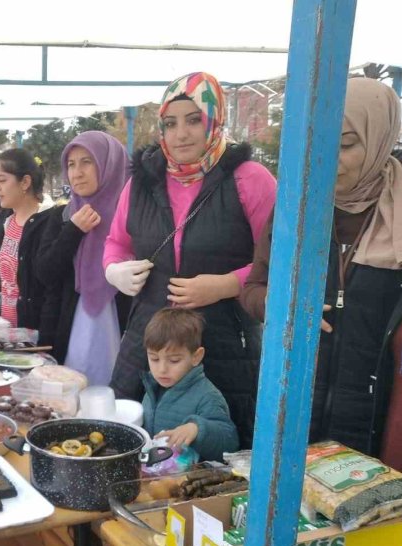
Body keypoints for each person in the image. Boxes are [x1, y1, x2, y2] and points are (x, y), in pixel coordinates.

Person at [240, 77, 402, 546]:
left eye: (346, 144)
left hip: (382, 416)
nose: (329, 158)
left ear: (379, 137)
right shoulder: (296, 207)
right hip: (302, 405)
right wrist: (278, 307)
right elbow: (253, 288)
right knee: (301, 543)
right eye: (319, 143)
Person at [105, 72, 276, 447]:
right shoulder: (141, 184)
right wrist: (115, 270)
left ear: (215, 122)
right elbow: (116, 243)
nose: (181, 134)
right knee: (131, 436)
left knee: (215, 444)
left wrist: (227, 284)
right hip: (148, 337)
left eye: (194, 120)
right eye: (170, 123)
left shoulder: (250, 179)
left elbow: (280, 258)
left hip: (223, 339)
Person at [36, 131, 131, 382]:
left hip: (119, 332)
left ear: (108, 165)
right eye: (71, 164)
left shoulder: (132, 218)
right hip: (66, 333)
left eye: (87, 162)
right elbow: (44, 272)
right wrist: (73, 231)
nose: (77, 173)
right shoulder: (62, 217)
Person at [141, 308, 239, 461]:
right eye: (154, 358)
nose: (162, 369)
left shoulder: (207, 396)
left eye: (174, 360)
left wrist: (197, 429)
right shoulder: (152, 388)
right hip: (152, 476)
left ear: (196, 356)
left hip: (187, 480)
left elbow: (229, 442)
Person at [0, 148, 54, 333]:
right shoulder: (7, 222)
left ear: (25, 182)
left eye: (2, 180)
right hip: (8, 329)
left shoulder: (47, 225)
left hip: (32, 332)